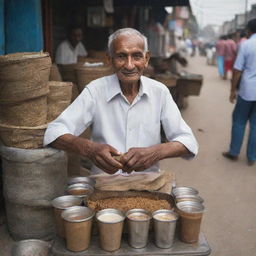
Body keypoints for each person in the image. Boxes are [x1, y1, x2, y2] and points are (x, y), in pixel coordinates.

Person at [44, 28, 198, 174]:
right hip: (105, 185)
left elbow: (188, 142)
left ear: (146, 59)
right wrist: (90, 149)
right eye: (121, 56)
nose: (129, 65)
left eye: (137, 56)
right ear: (109, 60)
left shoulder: (160, 92)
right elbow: (54, 132)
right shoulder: (95, 91)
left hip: (147, 185)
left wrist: (156, 152)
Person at [222, 18, 256, 166]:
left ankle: (234, 152)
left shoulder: (246, 44)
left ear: (249, 30)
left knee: (239, 121)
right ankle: (252, 157)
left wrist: (232, 90)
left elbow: (237, 70)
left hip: (247, 90)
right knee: (255, 125)